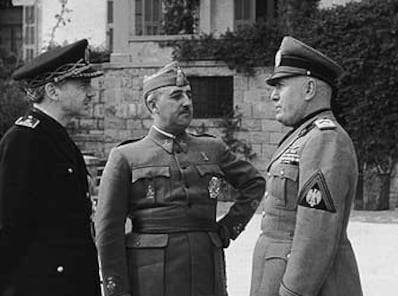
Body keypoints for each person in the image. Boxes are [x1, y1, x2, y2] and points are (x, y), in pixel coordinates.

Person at [95, 62, 266, 296]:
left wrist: (227, 229)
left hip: (206, 268)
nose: (186, 102)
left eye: (188, 95)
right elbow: (108, 232)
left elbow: (254, 183)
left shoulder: (212, 148)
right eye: (176, 96)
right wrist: (117, 290)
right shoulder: (126, 156)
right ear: (152, 105)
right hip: (150, 276)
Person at [250, 36, 363, 296]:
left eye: (281, 86)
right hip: (277, 273)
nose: (273, 95)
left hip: (302, 285)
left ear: (310, 89)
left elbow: (316, 234)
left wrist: (293, 292)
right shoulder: (302, 135)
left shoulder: (324, 139)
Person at [0, 39, 103, 296]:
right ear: (52, 91)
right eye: (82, 84)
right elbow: (10, 224)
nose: (90, 92)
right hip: (41, 284)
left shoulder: (57, 138)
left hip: (68, 281)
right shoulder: (24, 140)